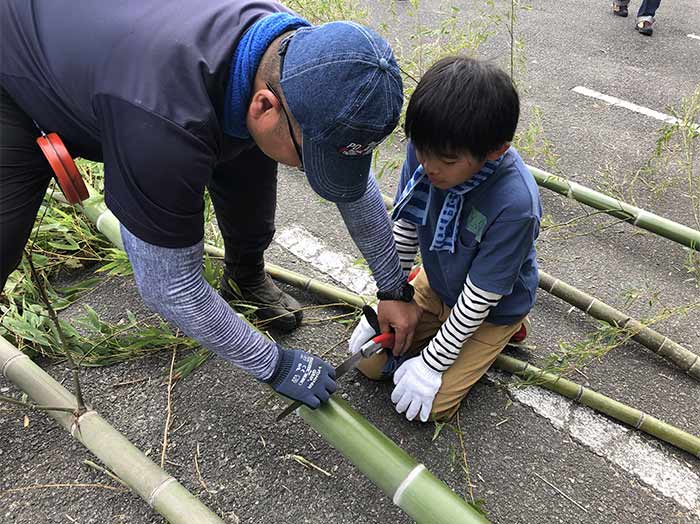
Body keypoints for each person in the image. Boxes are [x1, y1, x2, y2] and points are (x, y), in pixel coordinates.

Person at [1, 0, 421, 410]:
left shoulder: (296, 55)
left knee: (251, 166)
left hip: (114, 47)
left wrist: (394, 288)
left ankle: (244, 274)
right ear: (264, 106)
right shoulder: (162, 130)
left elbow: (350, 185)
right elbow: (170, 287)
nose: (311, 170)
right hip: (16, 66)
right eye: (309, 156)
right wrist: (274, 364)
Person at [349, 56, 542, 422]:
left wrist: (431, 365)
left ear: (495, 151)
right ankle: (441, 322)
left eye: (447, 160)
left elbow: (479, 297)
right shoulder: (427, 150)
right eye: (422, 151)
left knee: (431, 408)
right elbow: (406, 224)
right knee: (369, 364)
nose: (429, 166)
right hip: (437, 282)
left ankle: (507, 328)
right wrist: (393, 296)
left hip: (489, 307)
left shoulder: (516, 204)